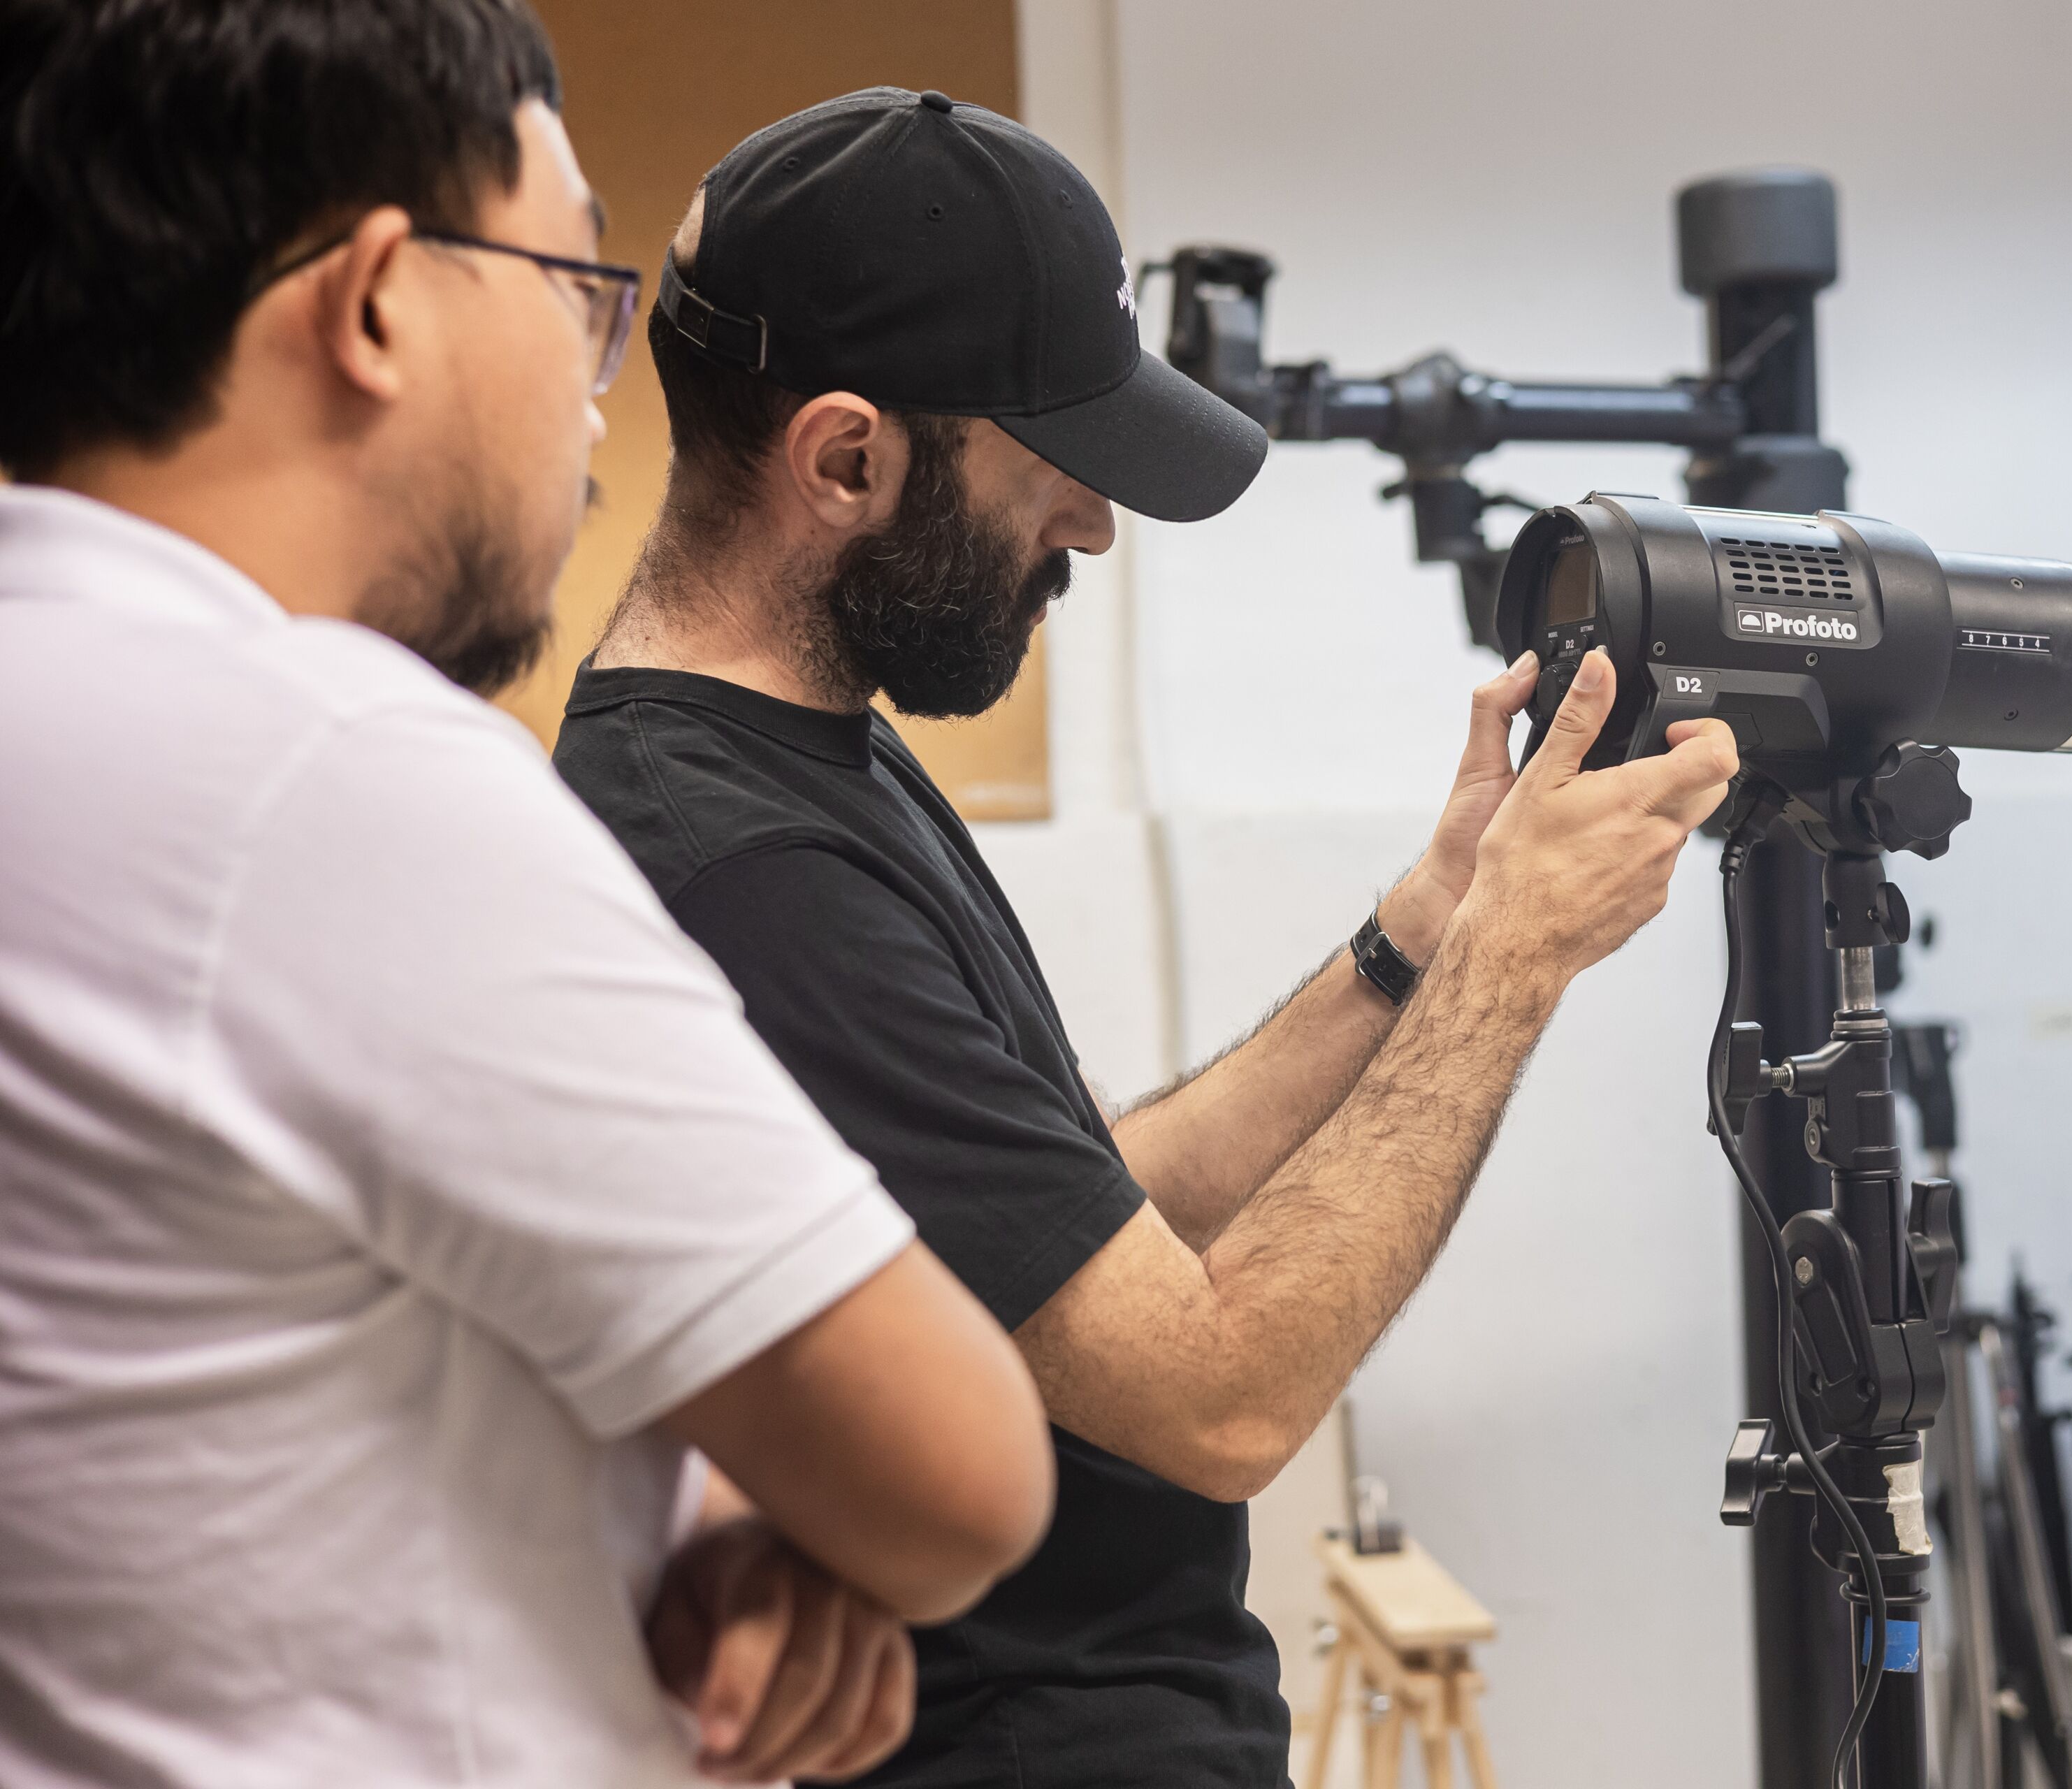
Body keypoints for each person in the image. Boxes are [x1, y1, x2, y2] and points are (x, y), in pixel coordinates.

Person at [551, 89, 1741, 1789]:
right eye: (1054, 469)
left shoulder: (811, 753)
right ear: (845, 458)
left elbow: (1082, 1211)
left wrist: (1430, 924)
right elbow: (1224, 1399)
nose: (1094, 527)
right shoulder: (734, 865)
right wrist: (1517, 967)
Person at [0, 7, 1056, 1786]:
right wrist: (783, 1508)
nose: (592, 399)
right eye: (577, 285)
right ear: (379, 301)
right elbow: (960, 1474)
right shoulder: (333, 776)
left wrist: (700, 1485)